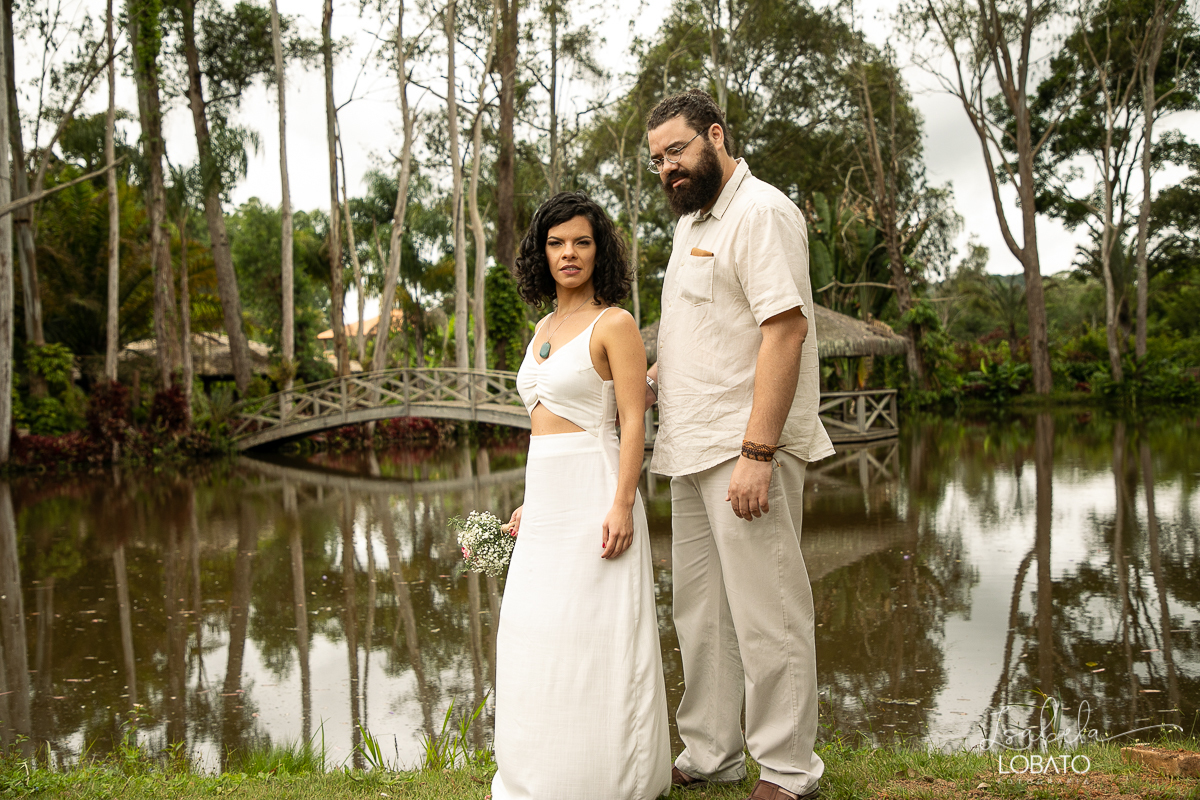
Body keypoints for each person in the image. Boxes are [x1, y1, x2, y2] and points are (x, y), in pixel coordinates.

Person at [643, 89, 834, 800]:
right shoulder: (692, 222)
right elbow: (708, 336)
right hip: (687, 448)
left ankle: (788, 771)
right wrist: (644, 380)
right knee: (702, 615)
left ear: (716, 136)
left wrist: (758, 452)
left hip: (742, 449)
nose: (668, 167)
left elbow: (785, 329)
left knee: (768, 611)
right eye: (657, 158)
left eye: (678, 150)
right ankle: (712, 752)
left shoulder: (762, 213)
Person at [491, 191, 671, 800]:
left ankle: (605, 778)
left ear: (601, 251)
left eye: (582, 242)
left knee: (592, 636)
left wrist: (622, 502)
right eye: (557, 242)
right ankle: (537, 777)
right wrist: (528, 501)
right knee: (533, 632)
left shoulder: (613, 324)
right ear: (541, 253)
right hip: (546, 500)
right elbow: (541, 427)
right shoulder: (543, 326)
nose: (569, 253)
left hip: (598, 493)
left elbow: (629, 421)